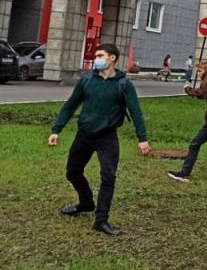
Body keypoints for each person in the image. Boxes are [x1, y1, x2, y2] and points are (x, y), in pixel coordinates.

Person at [48, 43, 150, 237]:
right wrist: (56, 130)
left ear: (112, 58)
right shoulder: (87, 81)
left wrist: (142, 138)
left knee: (108, 176)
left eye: (101, 55)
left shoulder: (124, 84)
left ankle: (101, 220)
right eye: (97, 56)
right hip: (85, 134)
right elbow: (70, 106)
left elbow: (135, 111)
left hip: (107, 137)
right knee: (72, 172)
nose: (97, 59)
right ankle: (86, 202)